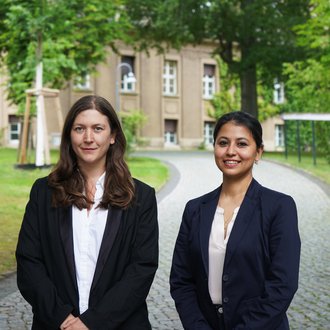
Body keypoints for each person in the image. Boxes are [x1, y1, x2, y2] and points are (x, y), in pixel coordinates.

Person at [16, 95, 158, 330]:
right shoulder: (43, 192)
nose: (88, 138)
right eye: (79, 128)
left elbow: (141, 269)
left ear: (112, 136)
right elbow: (29, 261)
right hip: (56, 325)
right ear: (69, 136)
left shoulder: (141, 197)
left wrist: (91, 323)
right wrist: (61, 317)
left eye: (98, 128)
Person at [170, 111, 301, 330]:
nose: (231, 151)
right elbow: (181, 280)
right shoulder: (194, 209)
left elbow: (282, 285)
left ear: (258, 152)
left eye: (242, 144)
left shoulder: (280, 207)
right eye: (223, 143)